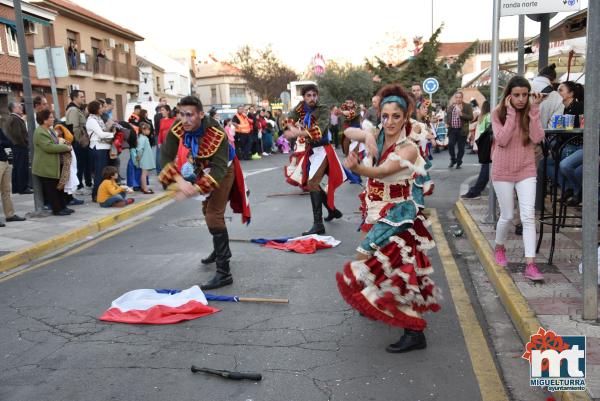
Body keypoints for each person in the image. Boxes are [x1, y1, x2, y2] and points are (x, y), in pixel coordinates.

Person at [336, 83, 440, 353]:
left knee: (386, 268)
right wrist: (366, 135)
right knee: (379, 265)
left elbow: (381, 172)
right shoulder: (379, 133)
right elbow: (347, 130)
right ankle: (388, 312)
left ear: (405, 117)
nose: (390, 121)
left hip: (398, 214)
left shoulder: (409, 148)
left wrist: (358, 167)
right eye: (385, 116)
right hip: (375, 209)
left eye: (396, 116)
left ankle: (414, 330)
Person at [159, 95, 251, 290]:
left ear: (201, 114)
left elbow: (218, 170)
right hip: (202, 168)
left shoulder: (216, 133)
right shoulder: (179, 126)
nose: (185, 119)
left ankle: (224, 272)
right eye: (181, 114)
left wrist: (193, 189)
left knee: (213, 215)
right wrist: (178, 180)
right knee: (205, 209)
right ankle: (219, 251)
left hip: (223, 169)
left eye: (190, 115)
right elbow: (166, 154)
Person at [491, 76, 546, 282]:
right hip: (503, 170)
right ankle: (499, 247)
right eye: (516, 95)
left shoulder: (531, 111)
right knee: (506, 215)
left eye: (525, 94)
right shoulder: (498, 113)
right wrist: (512, 113)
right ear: (509, 96)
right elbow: (502, 140)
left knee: (528, 216)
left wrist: (534, 111)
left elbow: (537, 138)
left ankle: (531, 264)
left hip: (526, 169)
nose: (521, 99)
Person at [283, 84, 346, 235]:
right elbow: (288, 119)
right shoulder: (301, 107)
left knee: (312, 183)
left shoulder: (323, 109)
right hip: (311, 151)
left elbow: (318, 130)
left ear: (317, 96)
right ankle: (332, 210)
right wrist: (290, 125)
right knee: (313, 184)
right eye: (308, 95)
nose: (312, 98)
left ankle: (318, 224)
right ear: (304, 97)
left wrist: (297, 132)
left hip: (323, 150)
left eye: (314, 95)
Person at [32, 109, 73, 216]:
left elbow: (55, 142)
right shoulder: (40, 132)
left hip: (54, 164)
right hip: (46, 166)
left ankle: (63, 206)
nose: (53, 119)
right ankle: (57, 210)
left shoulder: (49, 130)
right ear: (44, 120)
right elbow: (49, 147)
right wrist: (65, 147)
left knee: (60, 187)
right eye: (50, 117)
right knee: (52, 189)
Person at [462, 101, 492, 199]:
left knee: (485, 168)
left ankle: (475, 190)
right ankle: (476, 191)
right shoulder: (489, 117)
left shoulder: (481, 117)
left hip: (482, 144)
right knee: (486, 169)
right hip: (489, 145)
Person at [86, 100, 114, 202]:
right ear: (96, 109)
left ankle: (103, 193)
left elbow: (104, 131)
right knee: (99, 173)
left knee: (104, 173)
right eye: (101, 107)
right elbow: (101, 134)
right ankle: (96, 195)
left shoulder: (99, 119)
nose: (103, 109)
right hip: (97, 148)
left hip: (104, 148)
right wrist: (113, 135)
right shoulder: (91, 120)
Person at [65, 90, 91, 190]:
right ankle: (79, 186)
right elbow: (74, 128)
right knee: (79, 165)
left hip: (80, 142)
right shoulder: (73, 110)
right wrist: (80, 141)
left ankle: (82, 185)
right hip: (78, 142)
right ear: (75, 98)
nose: (83, 98)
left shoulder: (78, 109)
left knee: (83, 164)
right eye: (81, 96)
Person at [0, 127, 26, 226]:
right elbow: (5, 142)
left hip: (4, 160)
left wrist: (2, 142)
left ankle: (10, 215)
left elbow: (8, 142)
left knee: (6, 190)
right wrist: (3, 143)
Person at [6, 102, 32, 194]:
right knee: (22, 167)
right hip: (20, 146)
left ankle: (16, 188)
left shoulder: (11, 118)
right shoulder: (16, 119)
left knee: (17, 167)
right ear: (13, 109)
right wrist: (25, 143)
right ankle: (23, 188)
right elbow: (18, 135)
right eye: (19, 107)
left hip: (16, 146)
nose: (21, 108)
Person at [445, 91, 473, 169]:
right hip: (452, 130)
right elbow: (447, 116)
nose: (458, 99)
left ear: (462, 98)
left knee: (461, 148)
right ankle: (453, 159)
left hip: (462, 130)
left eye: (460, 97)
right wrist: (446, 122)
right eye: (456, 97)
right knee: (450, 145)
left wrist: (462, 114)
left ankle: (459, 161)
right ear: (455, 98)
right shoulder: (451, 107)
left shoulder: (467, 106)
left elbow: (471, 117)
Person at [530, 63, 564, 128]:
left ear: (538, 75)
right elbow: (555, 126)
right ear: (554, 80)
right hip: (541, 136)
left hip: (519, 136)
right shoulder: (556, 97)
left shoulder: (524, 89)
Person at [132, 122, 155, 194]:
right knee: (144, 174)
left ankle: (143, 187)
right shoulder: (142, 138)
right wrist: (139, 157)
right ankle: (145, 189)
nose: (149, 131)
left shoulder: (143, 138)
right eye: (148, 130)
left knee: (145, 174)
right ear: (143, 130)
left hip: (145, 158)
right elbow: (140, 149)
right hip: (144, 159)